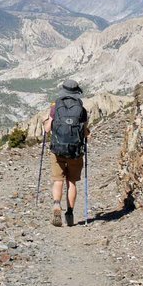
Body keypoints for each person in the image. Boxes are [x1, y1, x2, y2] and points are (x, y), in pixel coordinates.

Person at [42, 79, 90, 227]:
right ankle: (70, 212)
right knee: (72, 182)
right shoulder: (81, 109)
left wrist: (46, 122)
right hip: (75, 151)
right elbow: (85, 132)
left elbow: (47, 129)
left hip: (57, 150)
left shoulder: (56, 107)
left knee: (58, 180)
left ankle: (57, 205)